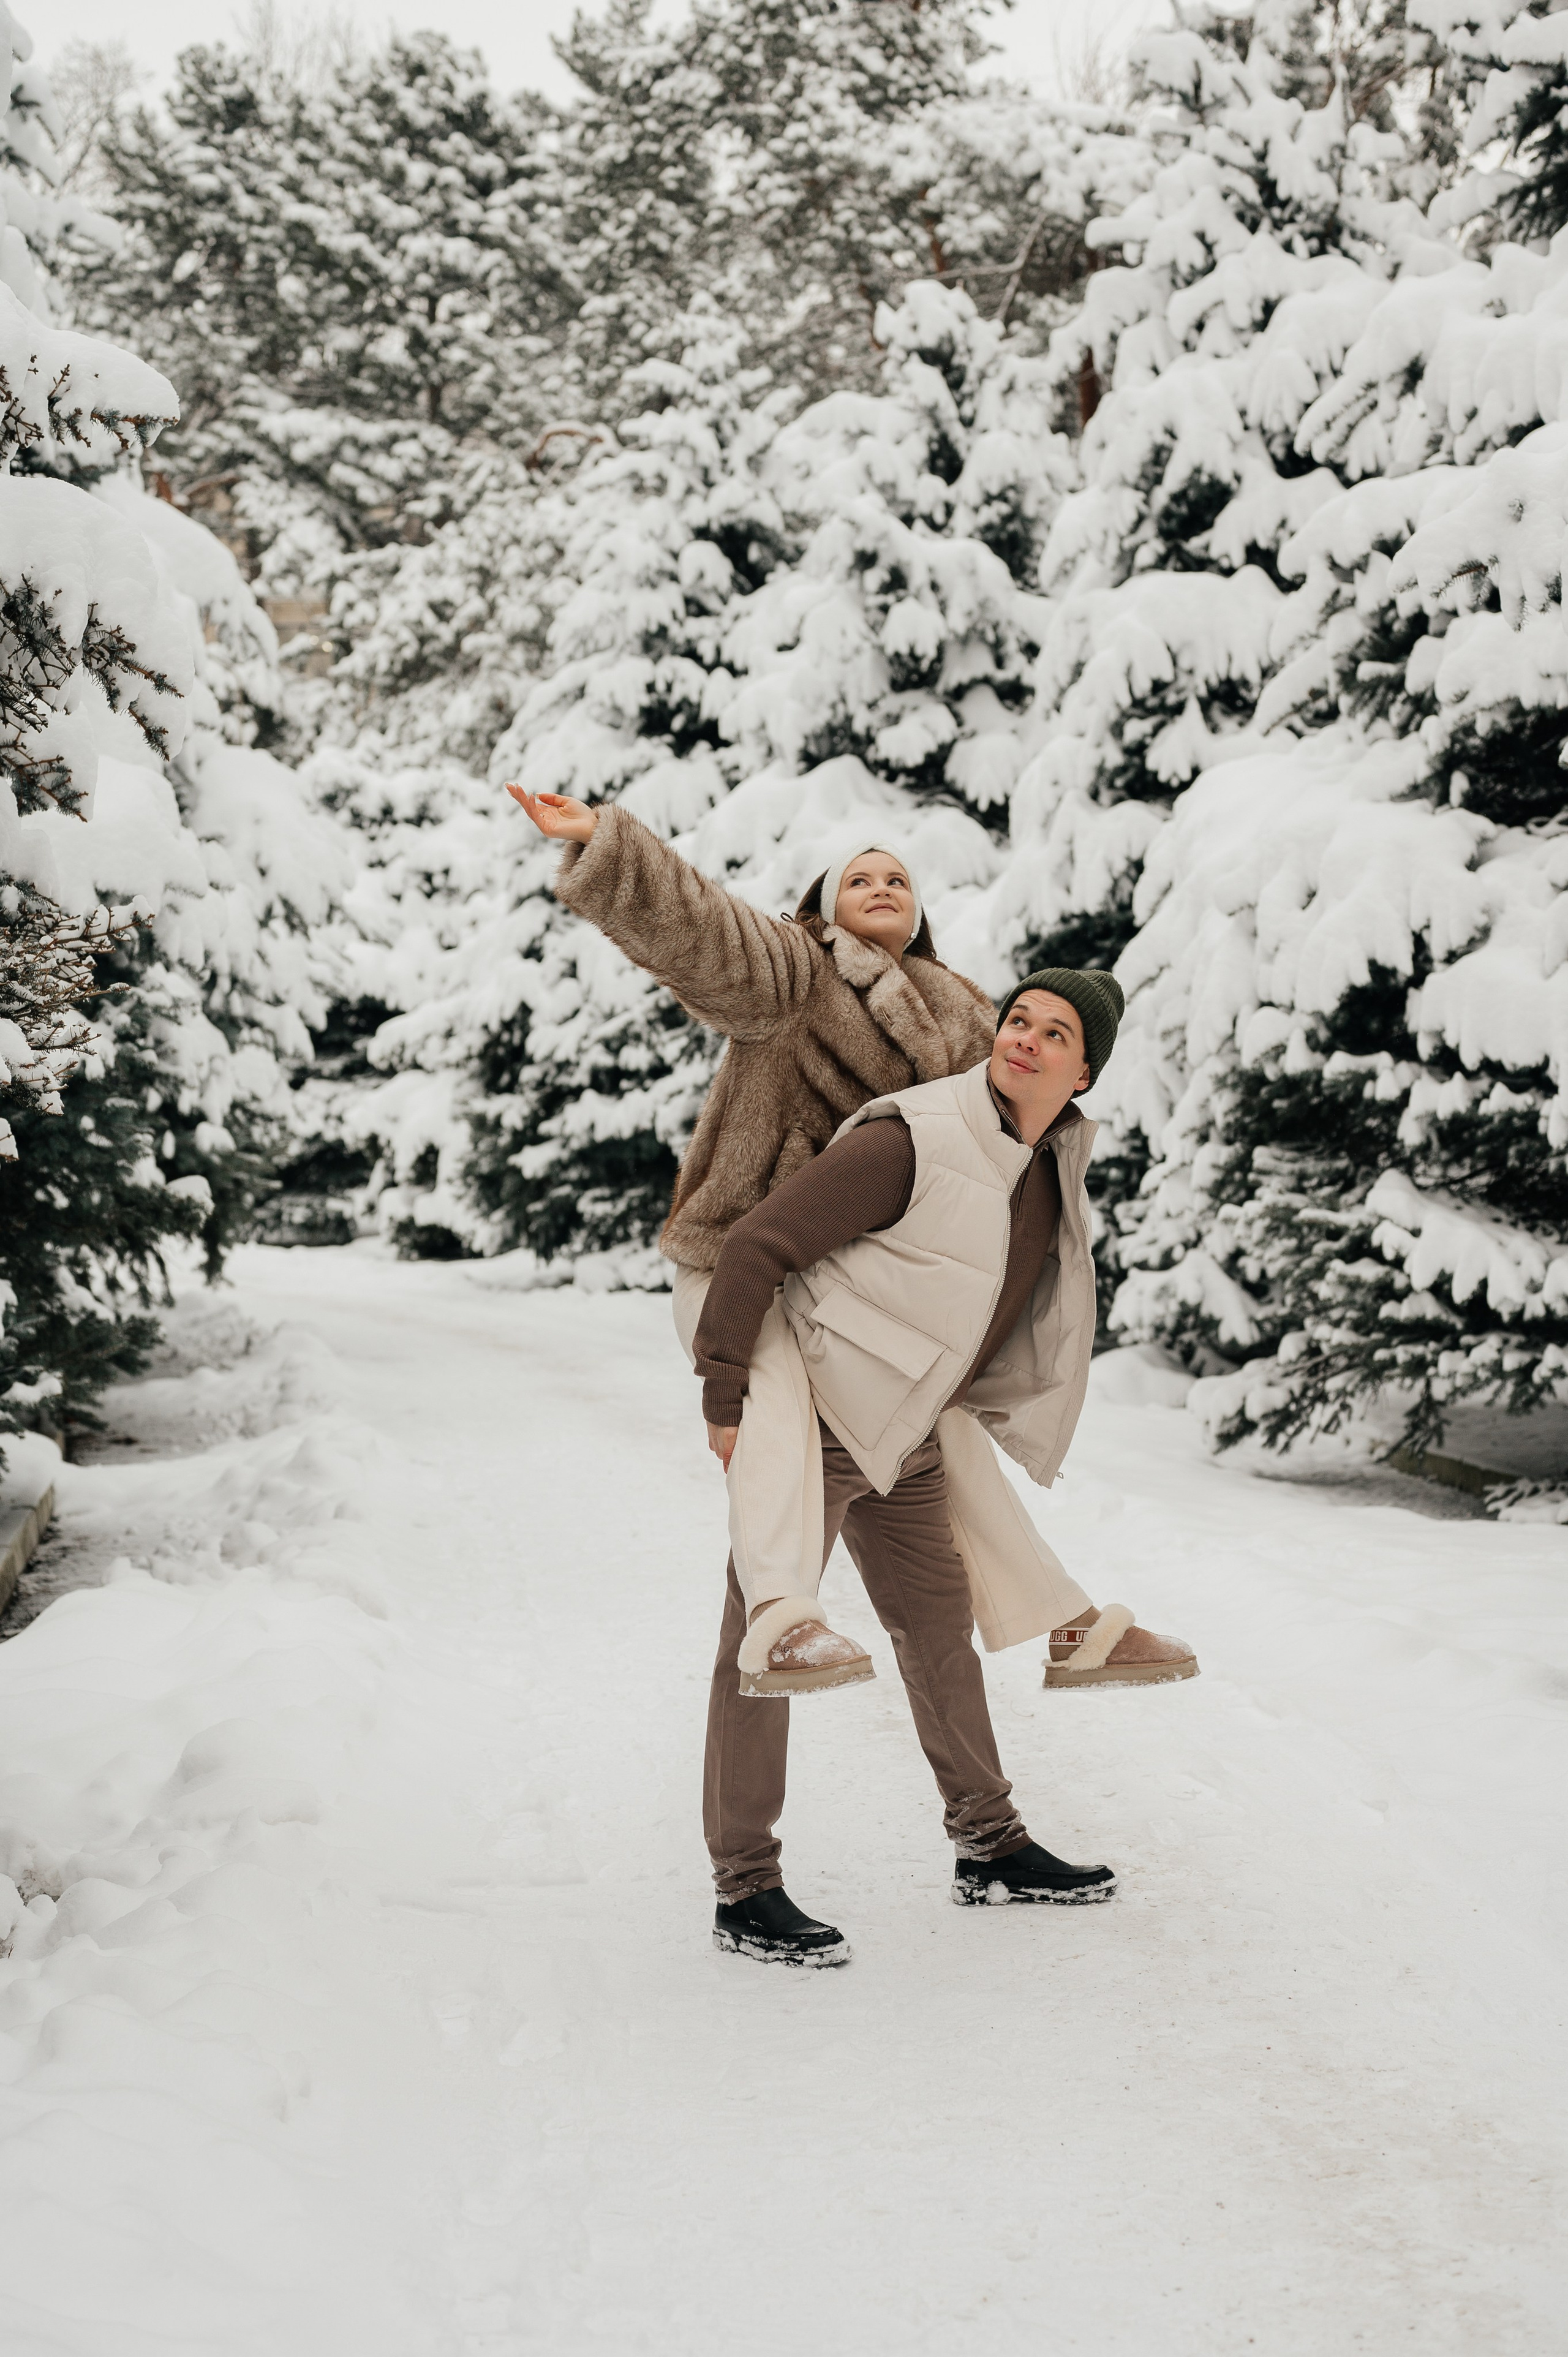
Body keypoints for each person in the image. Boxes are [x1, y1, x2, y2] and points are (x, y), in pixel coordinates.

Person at [691, 971, 1197, 1966]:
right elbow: (756, 1248)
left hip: (912, 1434)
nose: (1026, 1040)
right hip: (826, 1413)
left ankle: (990, 1844)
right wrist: (724, 1396)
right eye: (1018, 1021)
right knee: (760, 1639)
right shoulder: (914, 1137)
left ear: (1084, 1068)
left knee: (938, 1632)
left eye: (1055, 1034)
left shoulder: (1051, 1158)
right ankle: (744, 1885)